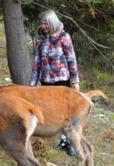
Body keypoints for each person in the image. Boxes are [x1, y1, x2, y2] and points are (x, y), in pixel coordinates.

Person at [29, 10, 80, 157]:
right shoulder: (40, 39)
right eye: (42, 23)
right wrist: (32, 84)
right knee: (49, 110)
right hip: (46, 81)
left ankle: (67, 142)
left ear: (52, 22)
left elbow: (71, 59)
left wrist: (75, 80)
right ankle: (45, 137)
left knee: (65, 113)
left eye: (45, 23)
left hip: (62, 81)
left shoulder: (64, 37)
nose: (43, 26)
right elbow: (36, 63)